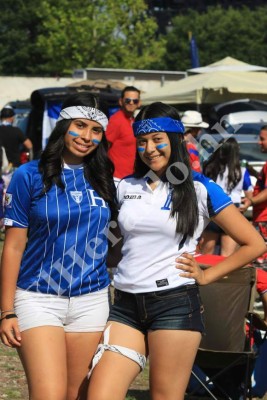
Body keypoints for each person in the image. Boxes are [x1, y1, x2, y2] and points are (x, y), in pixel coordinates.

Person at [86, 102, 265, 400]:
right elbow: (114, 242)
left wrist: (207, 277)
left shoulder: (200, 189)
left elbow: (254, 244)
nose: (149, 148)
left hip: (175, 306)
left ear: (178, 140)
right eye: (142, 142)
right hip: (125, 305)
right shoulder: (126, 186)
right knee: (100, 394)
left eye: (158, 139)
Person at [0, 92, 117, 400]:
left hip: (91, 301)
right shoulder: (29, 175)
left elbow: (116, 236)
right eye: (79, 126)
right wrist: (6, 311)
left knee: (75, 394)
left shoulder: (105, 176)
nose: (87, 137)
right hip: (37, 298)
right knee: (48, 394)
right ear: (63, 126)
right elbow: (12, 248)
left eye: (96, 130)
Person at [200, 137, 253, 256]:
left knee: (207, 252)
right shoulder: (242, 171)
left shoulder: (208, 168)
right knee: (227, 255)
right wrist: (245, 205)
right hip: (233, 209)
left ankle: (206, 274)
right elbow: (249, 196)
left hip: (213, 208)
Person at [241, 125, 267, 268]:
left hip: (264, 219)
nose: (259, 142)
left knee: (261, 268)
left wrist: (250, 200)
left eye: (262, 139)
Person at [105, 86, 141, 185]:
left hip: (131, 177)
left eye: (135, 101)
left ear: (139, 103)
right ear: (121, 101)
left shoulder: (133, 121)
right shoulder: (116, 120)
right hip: (116, 178)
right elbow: (103, 148)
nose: (131, 103)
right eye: (128, 100)